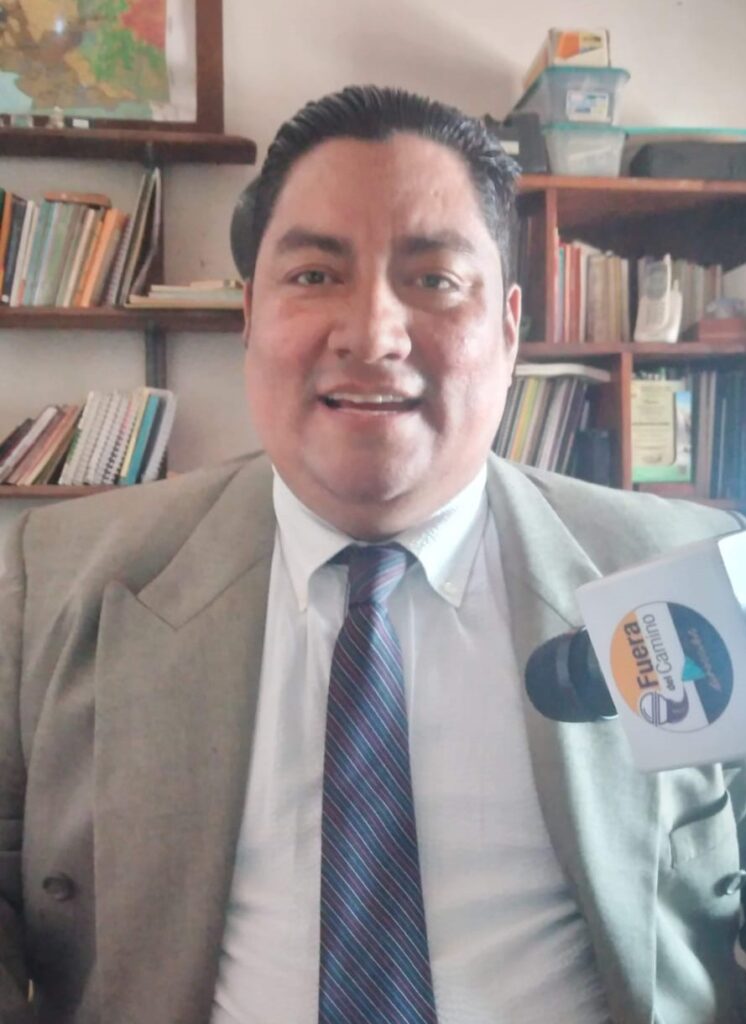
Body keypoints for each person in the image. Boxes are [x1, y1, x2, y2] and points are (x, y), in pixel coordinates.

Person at [1, 85, 745, 1024]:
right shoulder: (60, 576)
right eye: (316, 275)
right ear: (249, 314)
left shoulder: (681, 575)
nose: (374, 335)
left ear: (509, 327)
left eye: (435, 279)